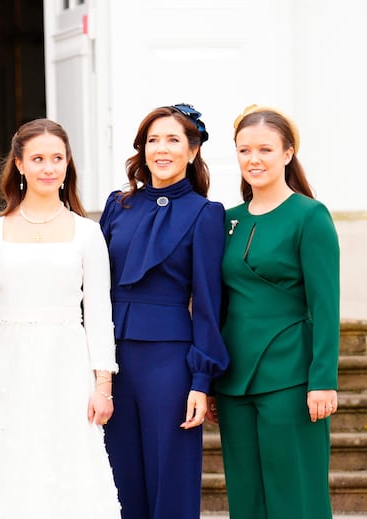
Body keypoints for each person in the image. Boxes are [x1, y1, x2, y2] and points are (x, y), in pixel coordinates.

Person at [0, 118, 121, 518]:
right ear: (19, 164)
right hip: (7, 364)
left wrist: (104, 384)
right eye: (37, 159)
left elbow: (100, 312)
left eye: (56, 158)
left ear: (68, 165)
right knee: (9, 463)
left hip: (67, 363)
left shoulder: (87, 233)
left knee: (66, 462)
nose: (48, 168)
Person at [99, 104, 230, 519]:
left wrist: (201, 381)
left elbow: (210, 303)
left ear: (192, 151)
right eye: (153, 140)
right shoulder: (118, 205)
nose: (161, 149)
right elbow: (94, 286)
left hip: (169, 362)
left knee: (170, 477)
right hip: (112, 358)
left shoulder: (206, 214)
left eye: (173, 139)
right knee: (116, 477)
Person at [210, 105, 339, 519]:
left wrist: (323, 380)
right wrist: (211, 380)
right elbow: (219, 304)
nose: (253, 159)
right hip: (234, 380)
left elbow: (325, 306)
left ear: (287, 153)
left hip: (292, 376)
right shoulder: (227, 220)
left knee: (295, 496)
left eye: (265, 149)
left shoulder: (310, 216)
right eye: (244, 150)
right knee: (246, 501)